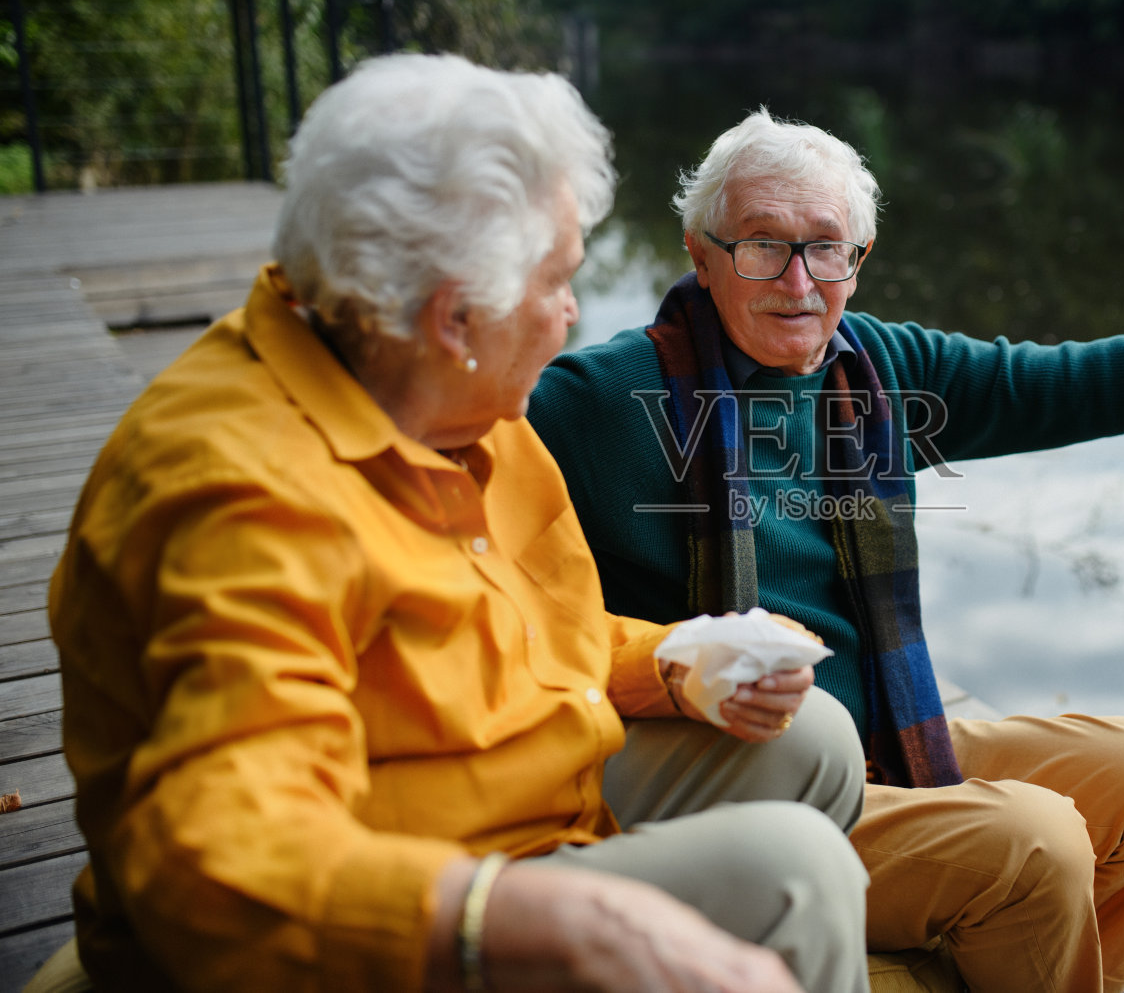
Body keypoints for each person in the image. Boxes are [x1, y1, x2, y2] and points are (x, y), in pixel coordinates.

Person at [525, 107, 1124, 993]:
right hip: (744, 792)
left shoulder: (879, 367)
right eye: (766, 246)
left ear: (860, 255)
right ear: (701, 252)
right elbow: (469, 551)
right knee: (1037, 843)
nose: (800, 282)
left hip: (887, 747)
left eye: (827, 249)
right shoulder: (595, 401)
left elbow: (1070, 382)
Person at [45, 61, 870, 993]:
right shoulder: (235, 496)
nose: (571, 318)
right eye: (559, 282)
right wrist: (538, 919)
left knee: (817, 736)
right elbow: (219, 859)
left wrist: (679, 661)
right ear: (454, 316)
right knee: (799, 876)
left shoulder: (462, 405)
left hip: (513, 789)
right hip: (378, 902)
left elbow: (535, 636)